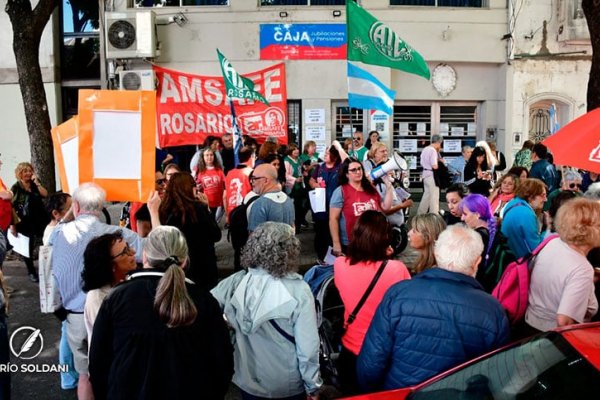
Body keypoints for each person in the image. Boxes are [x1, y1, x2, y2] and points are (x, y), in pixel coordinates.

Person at [356, 225, 509, 392]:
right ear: (477, 261)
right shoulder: (493, 310)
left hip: (401, 393)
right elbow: (496, 374)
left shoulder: (399, 294)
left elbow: (371, 362)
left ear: (436, 254)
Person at [89, 226, 234, 399]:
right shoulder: (205, 301)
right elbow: (222, 362)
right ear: (185, 260)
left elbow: (98, 362)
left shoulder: (116, 299)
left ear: (145, 256)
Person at [50, 183, 151, 400]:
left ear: (75, 206)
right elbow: (151, 254)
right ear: (103, 206)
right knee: (118, 369)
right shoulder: (118, 235)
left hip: (75, 315)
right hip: (112, 310)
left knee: (86, 375)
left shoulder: (58, 234)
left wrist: (72, 211)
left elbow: (54, 234)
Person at [211, 222, 322, 400]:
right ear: (290, 252)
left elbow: (204, 307)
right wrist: (313, 385)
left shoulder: (235, 282)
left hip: (247, 379)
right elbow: (308, 349)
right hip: (286, 383)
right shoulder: (299, 291)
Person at [333, 211, 411, 395]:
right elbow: (406, 300)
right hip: (384, 352)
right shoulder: (396, 269)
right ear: (385, 239)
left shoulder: (339, 264)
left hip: (350, 349)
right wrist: (388, 258)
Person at [525, 198, 599, 333]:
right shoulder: (582, 268)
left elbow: (557, 280)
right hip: (550, 338)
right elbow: (564, 321)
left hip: (528, 324)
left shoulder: (553, 243)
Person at [159, 172, 221, 290]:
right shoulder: (198, 209)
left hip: (179, 268)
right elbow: (216, 235)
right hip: (203, 268)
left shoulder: (165, 211)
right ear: (190, 188)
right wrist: (207, 208)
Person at [43, 192, 78, 391]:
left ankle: (70, 375)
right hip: (63, 292)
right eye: (71, 207)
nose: (76, 210)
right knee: (67, 331)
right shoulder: (55, 232)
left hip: (63, 291)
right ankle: (68, 376)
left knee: (69, 330)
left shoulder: (61, 228)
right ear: (57, 214)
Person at [329, 158, 393, 256]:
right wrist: (336, 243)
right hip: (352, 242)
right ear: (346, 174)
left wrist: (389, 186)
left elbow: (385, 208)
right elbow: (333, 219)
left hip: (373, 241)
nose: (358, 172)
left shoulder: (370, 188)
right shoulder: (341, 191)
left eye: (359, 168)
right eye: (353, 170)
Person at [82, 231, 137, 343]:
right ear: (111, 266)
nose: (133, 252)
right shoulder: (97, 298)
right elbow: (110, 338)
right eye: (125, 252)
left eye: (128, 247)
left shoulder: (128, 281)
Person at [10, 162, 49, 282]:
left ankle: (48, 268)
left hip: (40, 219)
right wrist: (13, 226)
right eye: (25, 171)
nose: (28, 173)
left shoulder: (34, 184)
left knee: (47, 242)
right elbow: (11, 207)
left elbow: (45, 194)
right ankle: (31, 271)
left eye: (30, 170)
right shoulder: (15, 188)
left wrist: (37, 183)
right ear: (20, 173)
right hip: (25, 222)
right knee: (28, 247)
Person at [309, 142, 348, 262]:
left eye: (328, 153)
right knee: (321, 232)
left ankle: (334, 259)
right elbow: (311, 180)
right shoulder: (319, 168)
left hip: (336, 207)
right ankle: (321, 257)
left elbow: (348, 161)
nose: (325, 155)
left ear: (335, 156)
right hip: (321, 206)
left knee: (334, 231)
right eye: (325, 153)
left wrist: (338, 147)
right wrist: (315, 185)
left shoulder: (341, 168)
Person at [364, 142, 413, 227]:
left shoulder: (388, 163)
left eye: (386, 151)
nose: (385, 153)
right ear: (374, 153)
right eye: (382, 151)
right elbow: (368, 178)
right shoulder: (367, 164)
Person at [500, 178, 547, 259]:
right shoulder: (526, 214)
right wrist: (547, 228)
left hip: (509, 258)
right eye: (543, 195)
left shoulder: (512, 203)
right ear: (530, 196)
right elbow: (536, 249)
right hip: (520, 263)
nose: (546, 199)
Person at [247, 163, 295, 232]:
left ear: (266, 180)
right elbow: (293, 228)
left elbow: (254, 236)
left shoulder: (260, 204)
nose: (251, 181)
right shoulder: (288, 200)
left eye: (254, 178)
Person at [460, 194, 497, 278]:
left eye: (465, 214)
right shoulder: (488, 231)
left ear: (477, 214)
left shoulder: (478, 236)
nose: (462, 218)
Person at [225, 146, 254, 223]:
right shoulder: (252, 173)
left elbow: (225, 196)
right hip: (246, 212)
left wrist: (227, 215)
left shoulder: (229, 173)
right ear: (251, 157)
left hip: (231, 212)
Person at [195, 147, 226, 218]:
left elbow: (225, 185)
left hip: (219, 204)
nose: (209, 157)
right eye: (207, 155)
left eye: (211, 155)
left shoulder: (219, 170)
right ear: (203, 157)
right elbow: (196, 186)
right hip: (207, 204)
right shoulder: (199, 171)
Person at [417, 134, 444, 214]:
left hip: (425, 174)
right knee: (434, 199)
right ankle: (434, 217)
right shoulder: (433, 150)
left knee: (426, 197)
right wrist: (441, 162)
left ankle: (420, 214)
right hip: (432, 176)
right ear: (439, 142)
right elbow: (434, 166)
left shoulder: (425, 149)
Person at [284, 144, 307, 231]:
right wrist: (295, 179)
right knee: (294, 207)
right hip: (292, 187)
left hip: (300, 186)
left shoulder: (299, 159)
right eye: (294, 149)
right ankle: (295, 227)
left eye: (297, 149)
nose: (297, 151)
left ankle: (299, 224)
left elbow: (300, 170)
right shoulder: (287, 161)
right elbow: (285, 175)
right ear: (290, 151)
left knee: (301, 206)